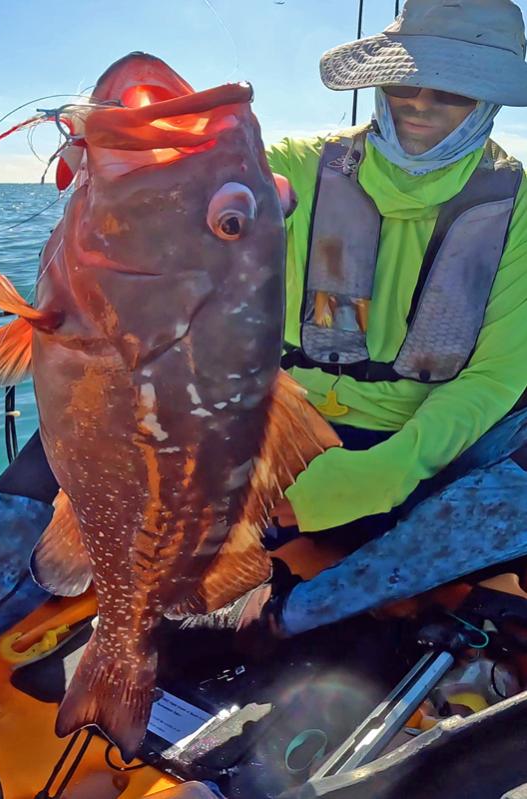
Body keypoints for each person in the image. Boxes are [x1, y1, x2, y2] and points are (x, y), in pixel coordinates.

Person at [181, 0, 527, 646]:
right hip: (283, 441)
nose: (418, 103)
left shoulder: (520, 209)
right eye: (402, 80)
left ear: (488, 103)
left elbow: (494, 376)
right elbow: (209, 185)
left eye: (450, 89)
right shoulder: (299, 167)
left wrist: (380, 474)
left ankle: (290, 611)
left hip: (421, 465)